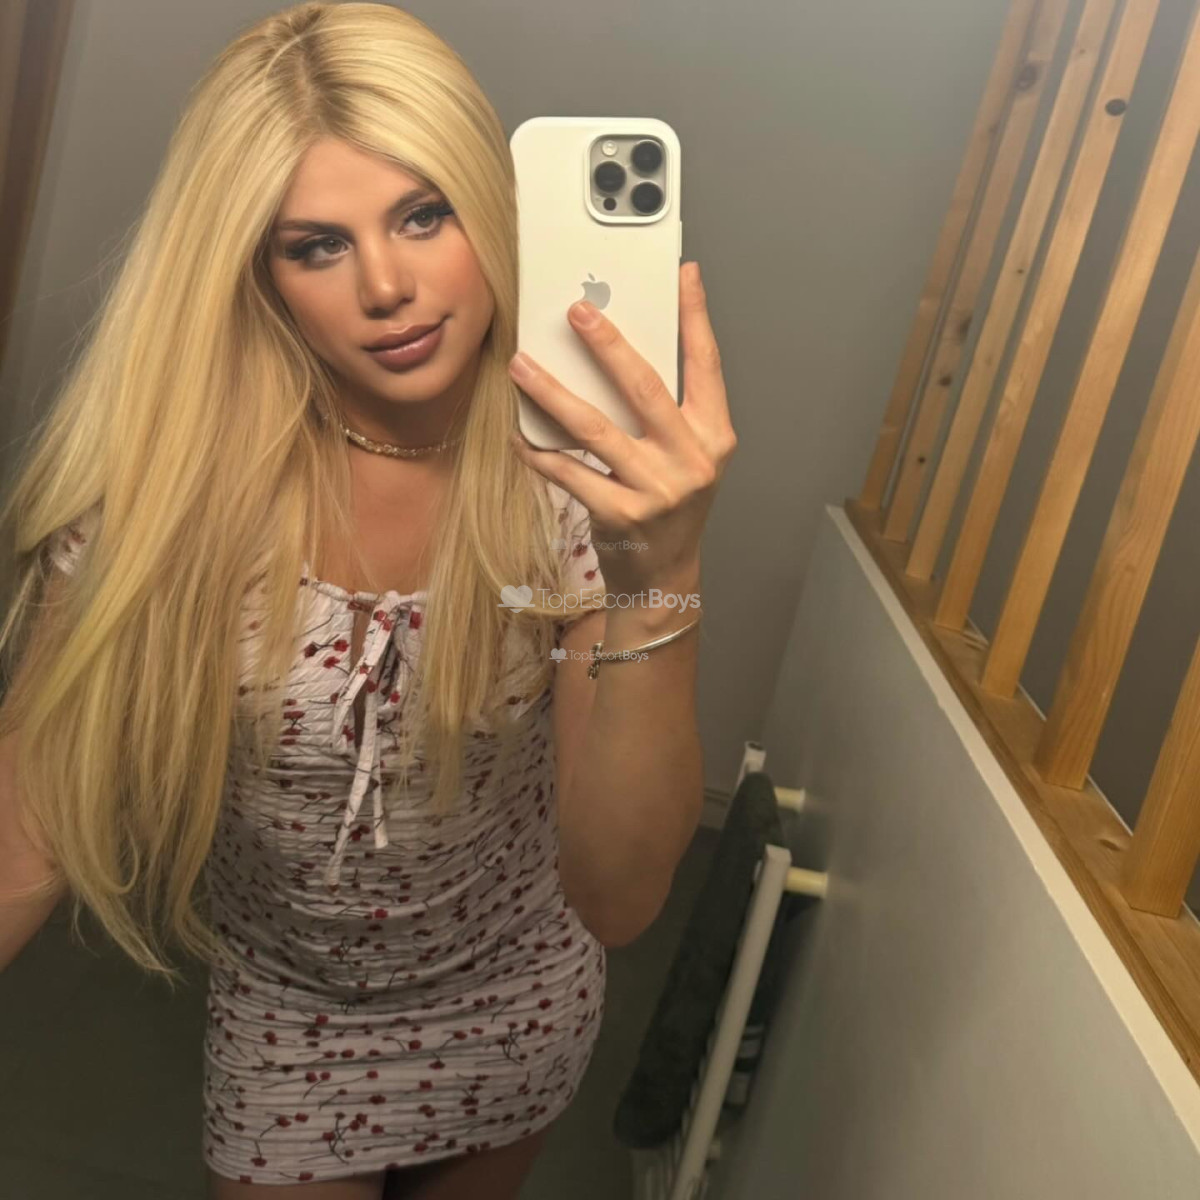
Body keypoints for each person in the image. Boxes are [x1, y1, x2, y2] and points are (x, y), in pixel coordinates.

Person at [0, 3, 736, 1196]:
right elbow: (27, 826)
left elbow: (617, 892)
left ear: (486, 208)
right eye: (317, 245)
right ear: (258, 272)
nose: (389, 286)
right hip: (290, 1008)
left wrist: (663, 576)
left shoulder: (567, 487)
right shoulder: (167, 489)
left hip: (514, 991)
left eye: (423, 214)